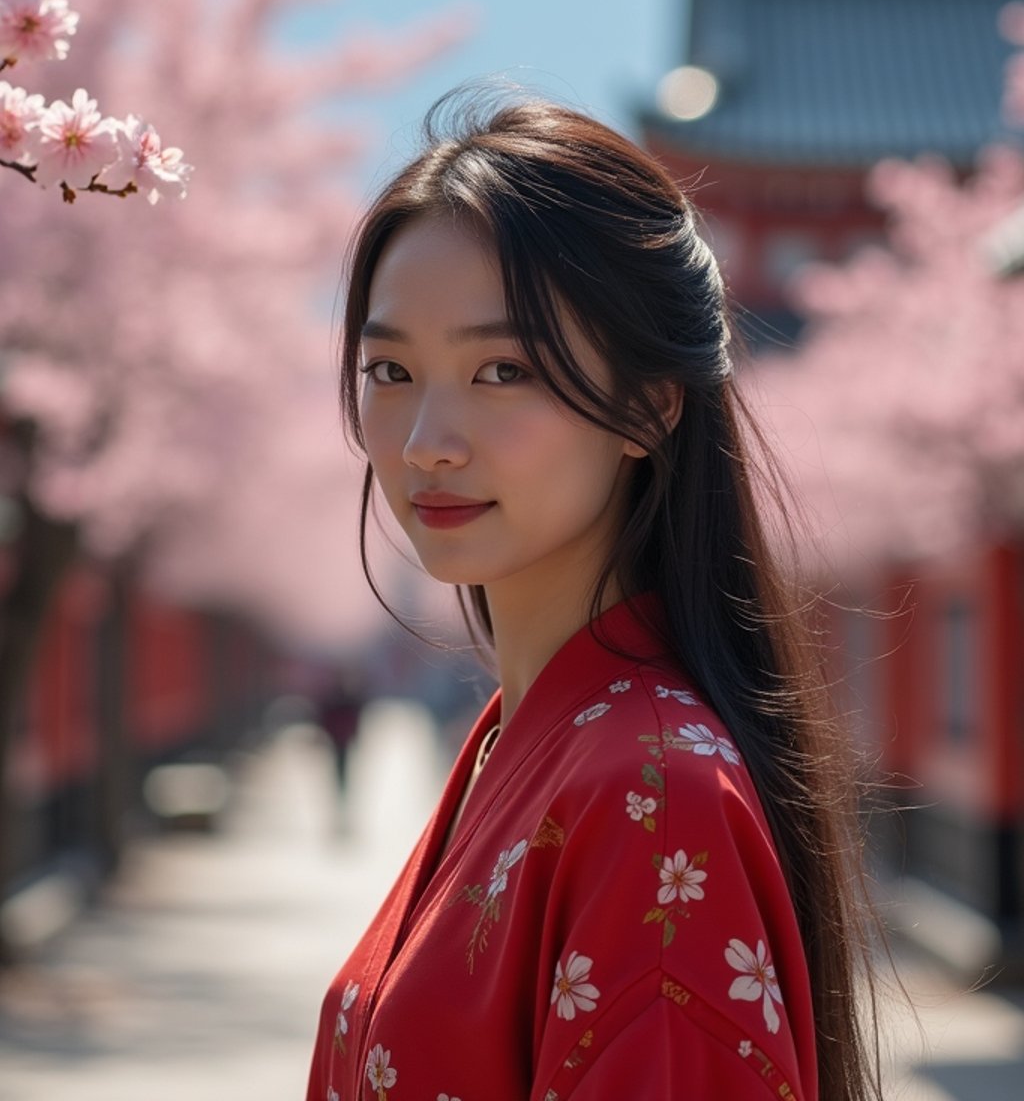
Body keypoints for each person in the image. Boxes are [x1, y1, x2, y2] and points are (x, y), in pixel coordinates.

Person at [305, 92, 883, 1101]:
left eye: (501, 370)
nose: (426, 440)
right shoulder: (526, 739)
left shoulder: (649, 793)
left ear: (648, 406)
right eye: (389, 368)